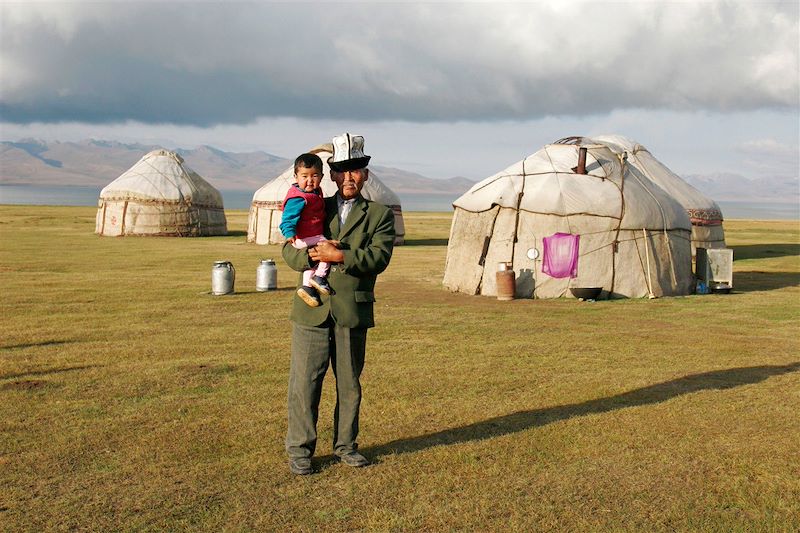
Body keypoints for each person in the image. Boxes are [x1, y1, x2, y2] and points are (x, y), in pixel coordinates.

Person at [282, 133, 395, 475]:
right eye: (342, 170)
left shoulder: (379, 214)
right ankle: (300, 450)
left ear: (365, 174)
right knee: (305, 382)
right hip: (311, 308)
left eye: (356, 170)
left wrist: (340, 255)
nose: (349, 177)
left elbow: (379, 256)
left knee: (349, 383)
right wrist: (311, 255)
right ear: (331, 174)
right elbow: (288, 248)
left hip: (351, 309)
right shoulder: (312, 201)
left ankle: (346, 446)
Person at [279, 153, 333, 307]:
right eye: (304, 176)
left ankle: (307, 287)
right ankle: (320, 277)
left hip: (308, 236)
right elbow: (287, 218)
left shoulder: (315, 193)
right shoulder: (298, 197)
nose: (310, 180)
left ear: (322, 177)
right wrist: (289, 233)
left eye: (314, 176)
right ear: (296, 177)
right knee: (327, 246)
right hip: (302, 237)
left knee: (312, 263)